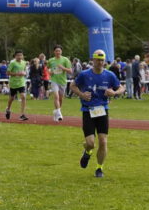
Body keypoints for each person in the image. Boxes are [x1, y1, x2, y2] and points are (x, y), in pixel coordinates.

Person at [71, 49, 124, 178]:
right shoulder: (84, 74)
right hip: (88, 110)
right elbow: (73, 85)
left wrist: (114, 93)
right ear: (93, 60)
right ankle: (87, 152)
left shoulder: (109, 75)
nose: (100, 62)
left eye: (102, 60)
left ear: (104, 61)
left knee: (103, 141)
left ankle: (99, 168)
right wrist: (81, 95)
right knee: (90, 143)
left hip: (102, 110)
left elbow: (121, 87)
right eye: (98, 60)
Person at [47, 45, 73, 121]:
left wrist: (63, 68)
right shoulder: (51, 60)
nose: (58, 52)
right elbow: (47, 68)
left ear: (61, 51)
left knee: (61, 99)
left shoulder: (65, 60)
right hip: (54, 80)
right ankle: (59, 114)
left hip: (62, 81)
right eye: (56, 51)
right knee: (56, 96)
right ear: (54, 52)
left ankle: (56, 111)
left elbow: (70, 71)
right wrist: (49, 72)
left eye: (59, 51)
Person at [5, 49, 30, 120]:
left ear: (22, 56)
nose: (19, 57)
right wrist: (16, 74)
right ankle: (8, 109)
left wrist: (24, 73)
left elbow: (25, 71)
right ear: (15, 56)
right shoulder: (12, 63)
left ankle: (22, 114)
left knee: (23, 96)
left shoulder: (24, 63)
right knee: (12, 98)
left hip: (21, 82)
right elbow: (7, 72)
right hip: (13, 83)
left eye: (21, 55)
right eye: (18, 55)